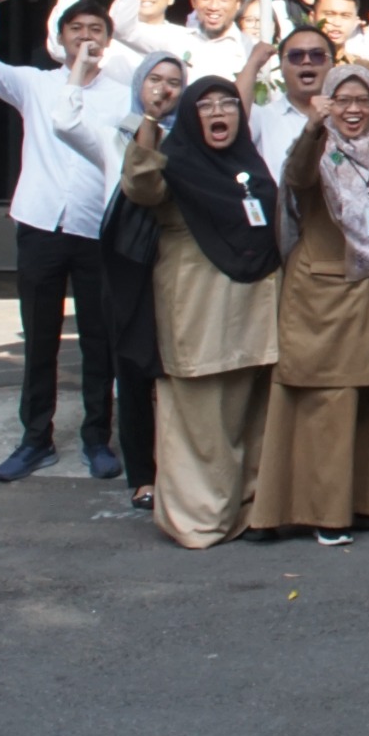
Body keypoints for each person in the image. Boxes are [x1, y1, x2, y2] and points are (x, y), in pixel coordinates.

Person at [0, 0, 135, 484]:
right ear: (60, 38)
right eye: (76, 28)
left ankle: (95, 438)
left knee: (98, 340)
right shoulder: (36, 84)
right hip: (41, 223)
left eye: (96, 29)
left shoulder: (124, 96)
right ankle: (35, 439)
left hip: (94, 228)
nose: (86, 37)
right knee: (40, 335)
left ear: (108, 41)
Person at [252, 64, 369, 544]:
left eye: (363, 101)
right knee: (330, 406)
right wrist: (313, 126)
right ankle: (325, 513)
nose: (353, 110)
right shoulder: (316, 151)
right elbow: (295, 175)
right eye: (343, 101)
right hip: (326, 297)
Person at [119, 77, 283, 548]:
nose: (219, 112)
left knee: (249, 418)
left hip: (253, 314)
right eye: (207, 105)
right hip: (199, 314)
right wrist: (150, 120)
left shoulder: (248, 166)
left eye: (227, 103)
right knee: (199, 424)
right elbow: (140, 184)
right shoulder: (177, 166)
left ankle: (247, 510)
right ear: (191, 117)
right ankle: (197, 520)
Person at [57, 51, 188, 511]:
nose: (164, 89)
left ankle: (179, 469)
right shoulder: (115, 134)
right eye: (155, 79)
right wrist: (78, 68)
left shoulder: (186, 141)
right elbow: (63, 121)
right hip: (125, 269)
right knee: (132, 371)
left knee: (176, 372)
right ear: (140, 83)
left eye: (174, 81)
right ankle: (142, 475)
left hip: (174, 268)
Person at [115, 0, 254, 80]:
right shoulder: (174, 38)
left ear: (238, 3)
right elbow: (123, 29)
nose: (213, 6)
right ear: (193, 0)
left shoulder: (251, 49)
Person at [244, 25, 336, 180]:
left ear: (333, 64)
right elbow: (234, 114)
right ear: (280, 66)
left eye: (317, 55)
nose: (306, 61)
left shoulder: (351, 116)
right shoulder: (262, 117)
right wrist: (253, 63)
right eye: (296, 55)